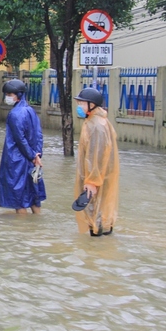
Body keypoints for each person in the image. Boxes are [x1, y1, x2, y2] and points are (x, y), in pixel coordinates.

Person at [73, 87, 119, 236]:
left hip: (96, 178)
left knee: (96, 213)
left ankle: (96, 248)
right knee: (99, 212)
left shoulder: (97, 125)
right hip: (97, 176)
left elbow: (97, 155)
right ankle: (100, 249)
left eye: (82, 103)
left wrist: (92, 181)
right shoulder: (93, 121)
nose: (79, 106)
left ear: (92, 104)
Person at [0, 79, 46, 214]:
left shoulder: (15, 114)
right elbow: (38, 134)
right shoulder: (31, 111)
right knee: (33, 196)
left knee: (19, 200)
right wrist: (37, 155)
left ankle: (22, 230)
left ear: (18, 95)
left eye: (10, 94)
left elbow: (20, 139)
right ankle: (36, 227)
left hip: (17, 160)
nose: (7, 97)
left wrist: (31, 156)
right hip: (31, 160)